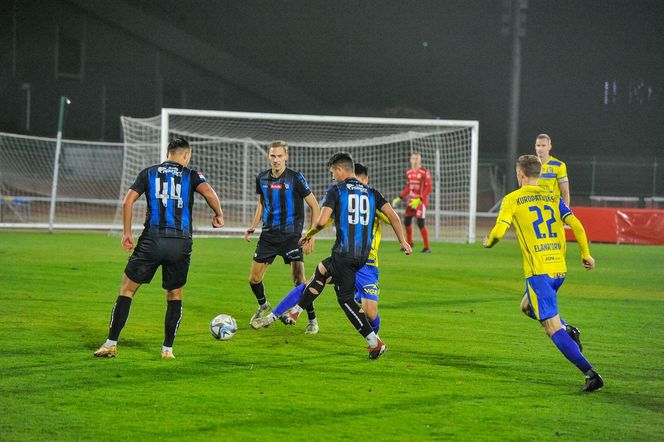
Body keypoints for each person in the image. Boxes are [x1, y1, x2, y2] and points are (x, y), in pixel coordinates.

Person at [262, 152, 411, 359]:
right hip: (363, 256)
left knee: (346, 300)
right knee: (321, 271)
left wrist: (309, 234)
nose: (332, 176)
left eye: (333, 172)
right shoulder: (372, 193)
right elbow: (394, 217)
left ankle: (374, 342)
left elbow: (322, 220)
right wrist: (403, 241)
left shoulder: (336, 190)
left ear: (340, 170)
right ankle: (296, 311)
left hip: (344, 254)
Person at [94, 137, 224, 359]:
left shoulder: (149, 172)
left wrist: (126, 233)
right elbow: (210, 194)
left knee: (127, 289)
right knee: (174, 294)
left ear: (168, 153)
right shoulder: (191, 174)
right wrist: (218, 214)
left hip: (152, 241)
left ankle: (110, 344)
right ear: (186, 156)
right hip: (181, 243)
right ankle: (167, 350)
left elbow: (127, 201)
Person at [483, 154, 603, 392]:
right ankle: (570, 329)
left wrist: (488, 243)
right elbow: (577, 225)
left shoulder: (512, 199)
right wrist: (585, 254)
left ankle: (591, 374)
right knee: (527, 307)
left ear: (520, 174)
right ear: (540, 174)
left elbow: (498, 232)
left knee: (551, 327)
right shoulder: (553, 198)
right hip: (559, 270)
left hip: (539, 273)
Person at [251, 162, 387, 335]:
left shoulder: (374, 203)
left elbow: (392, 217)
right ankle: (273, 316)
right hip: (344, 259)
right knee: (311, 282)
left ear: (365, 181)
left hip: (367, 265)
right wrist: (310, 234)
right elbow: (322, 221)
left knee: (370, 314)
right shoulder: (342, 200)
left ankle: (374, 340)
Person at [244, 140, 321, 333]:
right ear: (268, 156)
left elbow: (315, 205)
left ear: (286, 156)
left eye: (279, 156)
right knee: (254, 279)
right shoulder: (262, 178)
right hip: (268, 237)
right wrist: (253, 226)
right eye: (273, 156)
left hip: (291, 237)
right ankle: (263, 305)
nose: (276, 160)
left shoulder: (296, 178)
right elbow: (261, 203)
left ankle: (312, 320)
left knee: (299, 282)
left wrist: (311, 234)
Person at [392, 152, 433, 253]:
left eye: (416, 159)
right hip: (411, 201)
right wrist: (399, 197)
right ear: (410, 160)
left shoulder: (424, 172)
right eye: (413, 158)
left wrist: (420, 199)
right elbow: (408, 187)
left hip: (420, 202)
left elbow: (429, 187)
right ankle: (409, 243)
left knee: (420, 223)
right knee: (407, 221)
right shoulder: (409, 172)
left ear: (420, 160)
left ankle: (427, 247)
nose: (415, 160)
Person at [535, 133, 570, 206]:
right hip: (533, 209)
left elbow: (565, 192)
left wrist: (565, 212)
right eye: (538, 145)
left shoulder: (559, 165)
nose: (540, 148)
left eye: (543, 146)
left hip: (552, 210)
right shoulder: (530, 165)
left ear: (549, 147)